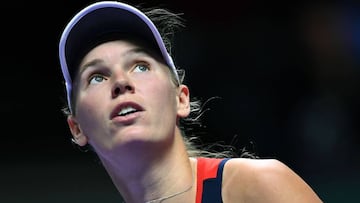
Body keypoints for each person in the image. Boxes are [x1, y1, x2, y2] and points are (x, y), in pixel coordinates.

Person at [58, 1, 323, 202]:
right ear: (77, 128)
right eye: (96, 77)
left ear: (180, 99)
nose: (120, 82)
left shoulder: (258, 186)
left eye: (140, 66)